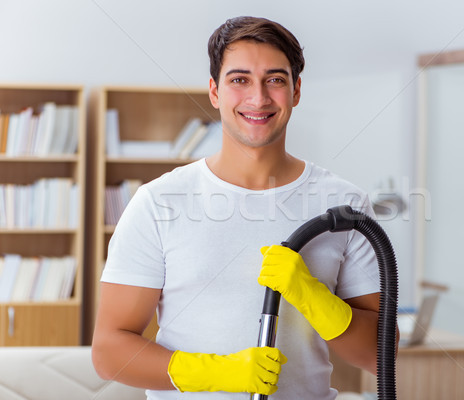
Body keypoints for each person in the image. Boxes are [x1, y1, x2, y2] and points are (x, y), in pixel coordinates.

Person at [92, 16, 397, 400]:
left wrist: (312, 296)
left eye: (275, 79)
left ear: (296, 90)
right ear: (215, 92)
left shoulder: (344, 204)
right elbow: (109, 352)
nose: (258, 98)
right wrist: (216, 371)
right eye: (239, 80)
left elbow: (379, 356)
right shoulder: (159, 202)